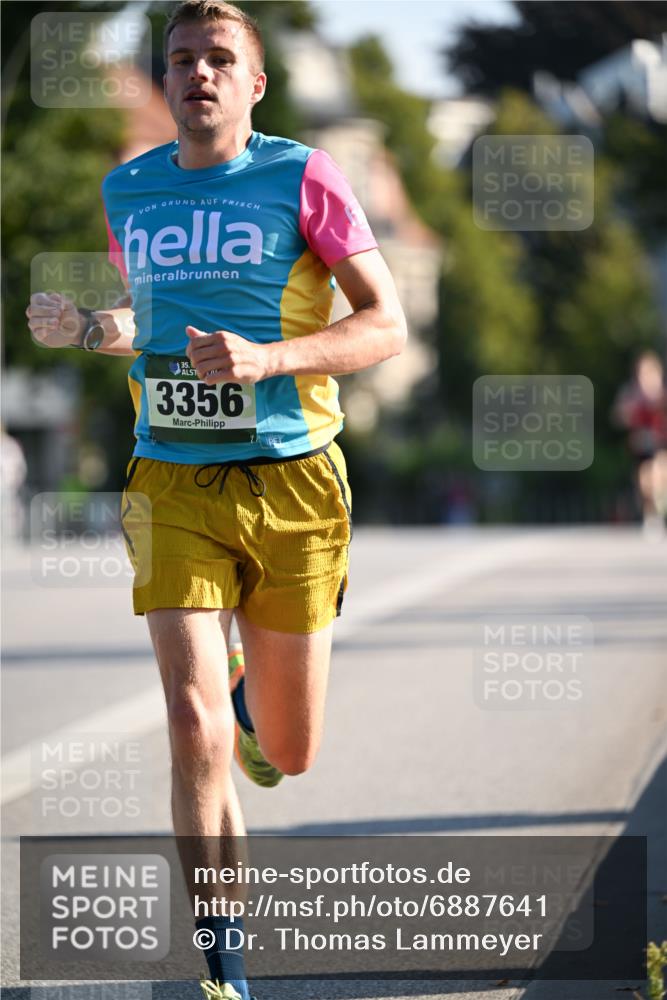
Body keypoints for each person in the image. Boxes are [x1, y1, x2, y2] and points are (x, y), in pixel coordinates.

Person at [26, 2, 407, 996]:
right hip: (171, 476)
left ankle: (254, 701)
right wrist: (84, 327)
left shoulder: (304, 178)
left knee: (287, 750)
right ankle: (223, 970)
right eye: (182, 58)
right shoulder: (130, 189)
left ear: (254, 83)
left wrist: (270, 357)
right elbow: (145, 325)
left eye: (219, 58)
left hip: (293, 478)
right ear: (165, 79)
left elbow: (384, 325)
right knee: (189, 726)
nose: (198, 73)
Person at [613, 350, 667, 537]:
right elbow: (619, 416)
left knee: (659, 472)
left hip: (661, 440)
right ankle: (651, 515)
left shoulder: (662, 392)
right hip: (641, 443)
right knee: (645, 482)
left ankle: (660, 503)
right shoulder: (631, 393)